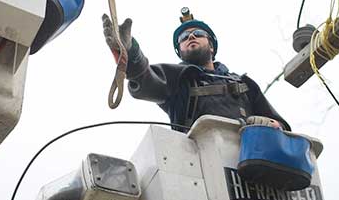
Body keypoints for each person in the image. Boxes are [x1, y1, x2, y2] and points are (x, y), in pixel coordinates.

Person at [103, 8, 290, 130]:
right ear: (180, 52)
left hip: (252, 160)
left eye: (198, 34)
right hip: (199, 166)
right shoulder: (178, 78)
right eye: (184, 37)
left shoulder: (244, 84)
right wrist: (129, 51)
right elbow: (145, 79)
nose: (190, 37)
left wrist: (274, 125)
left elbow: (282, 127)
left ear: (211, 46)